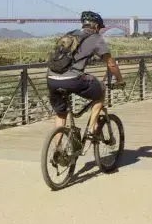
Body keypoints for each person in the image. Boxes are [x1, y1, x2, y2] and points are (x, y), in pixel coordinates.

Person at [46, 10, 125, 140]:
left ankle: (58, 151)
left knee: (61, 114)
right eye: (99, 28)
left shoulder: (69, 35)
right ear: (96, 26)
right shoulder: (95, 38)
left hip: (51, 78)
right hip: (72, 79)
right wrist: (120, 80)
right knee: (101, 89)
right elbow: (111, 63)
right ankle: (91, 129)